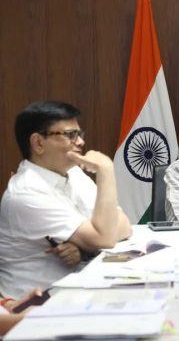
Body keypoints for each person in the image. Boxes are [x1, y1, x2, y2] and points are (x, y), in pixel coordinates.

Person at [0, 101, 132, 298]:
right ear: (38, 143)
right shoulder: (25, 193)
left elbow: (123, 225)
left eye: (79, 134)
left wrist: (84, 247)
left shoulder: (73, 173)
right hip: (35, 304)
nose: (80, 142)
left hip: (74, 289)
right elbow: (106, 237)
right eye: (70, 135)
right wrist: (105, 170)